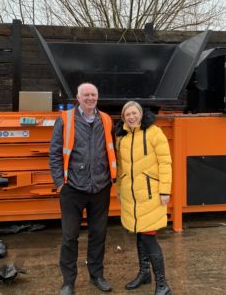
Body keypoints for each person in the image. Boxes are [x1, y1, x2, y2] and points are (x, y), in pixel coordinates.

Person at [49, 83, 117, 295]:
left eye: (93, 95)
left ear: (97, 97)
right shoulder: (65, 119)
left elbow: (112, 149)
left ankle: (97, 275)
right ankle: (68, 281)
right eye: (85, 94)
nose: (90, 98)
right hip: (73, 189)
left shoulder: (105, 119)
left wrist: (111, 177)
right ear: (77, 97)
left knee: (98, 234)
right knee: (70, 236)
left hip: (100, 187)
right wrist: (60, 183)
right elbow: (55, 153)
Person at [115, 101, 172, 295]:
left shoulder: (154, 132)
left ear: (141, 114)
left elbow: (165, 162)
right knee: (139, 234)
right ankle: (144, 273)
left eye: (134, 113)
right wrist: (119, 190)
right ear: (123, 118)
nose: (131, 117)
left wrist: (165, 190)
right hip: (131, 196)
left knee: (148, 238)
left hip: (151, 195)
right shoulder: (121, 138)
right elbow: (121, 168)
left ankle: (163, 284)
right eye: (127, 114)